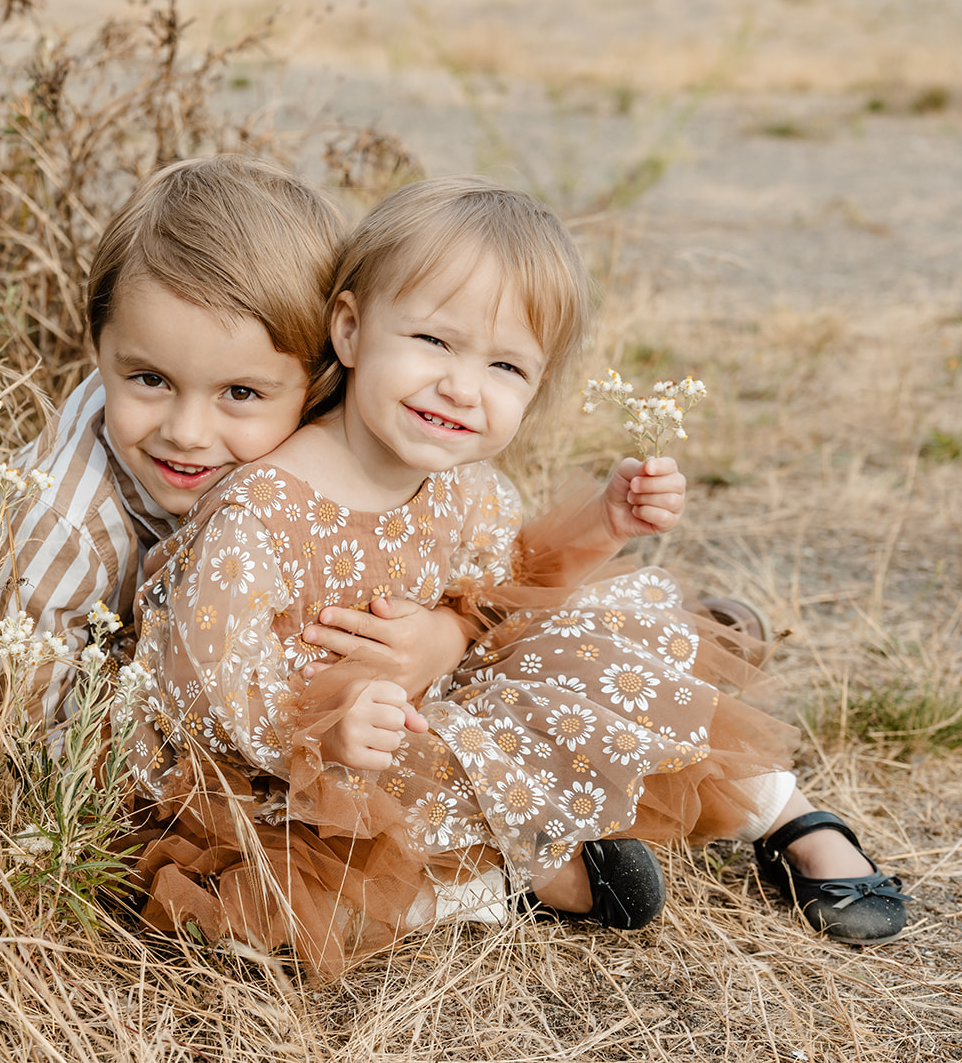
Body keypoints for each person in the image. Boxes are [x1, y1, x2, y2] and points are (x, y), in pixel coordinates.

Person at [118, 176, 911, 976]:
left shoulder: (466, 488)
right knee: (276, 903)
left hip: (425, 720)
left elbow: (504, 594)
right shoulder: (262, 510)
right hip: (286, 774)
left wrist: (603, 524)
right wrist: (324, 737)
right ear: (352, 329)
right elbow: (202, 687)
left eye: (505, 366)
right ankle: (501, 882)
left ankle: (784, 813)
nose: (462, 386)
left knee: (599, 655)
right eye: (433, 342)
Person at [0, 155, 470, 743]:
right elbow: (15, 723)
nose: (187, 432)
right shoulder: (66, 527)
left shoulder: (341, 434)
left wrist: (443, 638)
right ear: (101, 348)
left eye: (239, 392)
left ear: (322, 377)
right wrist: (254, 711)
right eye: (149, 379)